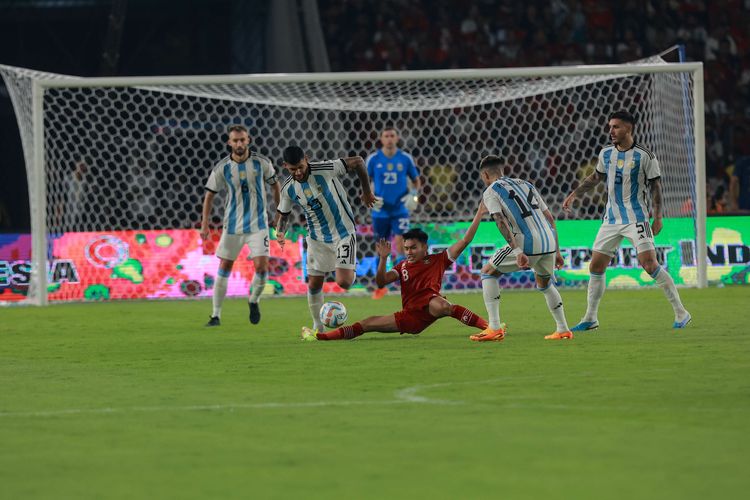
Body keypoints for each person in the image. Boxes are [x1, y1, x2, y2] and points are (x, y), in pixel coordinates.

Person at [562, 110, 691, 330]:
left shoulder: (645, 155)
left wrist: (658, 217)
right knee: (595, 265)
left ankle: (681, 313)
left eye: (616, 127)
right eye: (610, 126)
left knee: (649, 265)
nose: (611, 131)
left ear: (628, 128)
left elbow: (656, 188)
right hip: (610, 219)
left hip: (637, 218)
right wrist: (574, 194)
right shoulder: (606, 154)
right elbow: (595, 178)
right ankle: (591, 318)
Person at [302, 203, 489, 341]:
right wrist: (383, 259)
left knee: (443, 306)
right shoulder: (402, 267)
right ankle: (321, 337)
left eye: (413, 248)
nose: (408, 252)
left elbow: (464, 241)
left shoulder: (439, 259)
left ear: (424, 247)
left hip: (431, 305)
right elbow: (381, 282)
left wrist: (479, 213)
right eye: (406, 248)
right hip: (410, 317)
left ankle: (488, 327)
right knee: (367, 323)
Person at [274, 145, 376, 333]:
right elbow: (283, 214)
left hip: (343, 233)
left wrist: (367, 192)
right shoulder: (288, 188)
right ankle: (318, 327)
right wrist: (280, 231)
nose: (297, 172)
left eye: (301, 167)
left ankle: (348, 265)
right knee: (313, 283)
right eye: (292, 169)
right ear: (285, 166)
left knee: (344, 282)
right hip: (316, 238)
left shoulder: (326, 169)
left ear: (306, 159)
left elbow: (359, 161)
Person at [473, 155, 573, 342]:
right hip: (548, 241)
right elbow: (550, 217)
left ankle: (494, 327)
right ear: (502, 170)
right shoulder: (527, 184)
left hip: (526, 244)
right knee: (544, 284)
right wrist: (557, 251)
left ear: (485, 175)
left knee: (488, 272)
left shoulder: (491, 191)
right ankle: (563, 329)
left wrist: (518, 252)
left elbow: (500, 220)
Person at [200, 124, 280, 327]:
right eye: (235, 140)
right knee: (224, 266)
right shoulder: (222, 168)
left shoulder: (261, 163)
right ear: (229, 143)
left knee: (262, 269)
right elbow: (209, 195)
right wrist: (205, 224)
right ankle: (215, 315)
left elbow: (275, 184)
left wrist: (280, 213)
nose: (239, 143)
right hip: (232, 227)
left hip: (258, 225)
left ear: (248, 140)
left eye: (242, 139)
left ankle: (253, 300)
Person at [367, 127, 422, 299]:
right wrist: (370, 198)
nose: (389, 139)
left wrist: (413, 194)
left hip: (400, 210)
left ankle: (404, 282)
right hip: (380, 211)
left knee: (401, 245)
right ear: (381, 139)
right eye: (386, 136)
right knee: (381, 248)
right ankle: (381, 286)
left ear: (397, 138)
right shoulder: (373, 159)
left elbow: (417, 181)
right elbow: (366, 181)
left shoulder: (405, 158)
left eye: (392, 135)